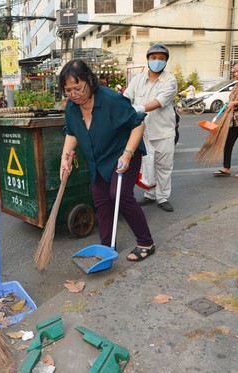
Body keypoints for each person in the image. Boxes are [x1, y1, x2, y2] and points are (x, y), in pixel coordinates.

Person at [59, 59, 156, 262]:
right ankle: (106, 247)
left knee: (120, 195)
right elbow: (72, 132)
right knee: (101, 200)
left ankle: (146, 242)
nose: (73, 94)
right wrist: (65, 157)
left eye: (77, 88)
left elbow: (137, 125)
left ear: (89, 80)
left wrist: (127, 154)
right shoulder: (72, 107)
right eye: (68, 90)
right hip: (98, 159)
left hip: (122, 154)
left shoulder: (111, 99)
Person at [124, 43, 178, 212]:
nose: (157, 61)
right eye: (153, 58)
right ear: (148, 59)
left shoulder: (170, 80)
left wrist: (139, 108)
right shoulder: (137, 79)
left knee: (164, 166)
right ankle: (149, 194)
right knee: (147, 165)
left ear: (166, 62)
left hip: (164, 132)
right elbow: (126, 97)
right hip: (143, 132)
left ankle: (162, 198)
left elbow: (160, 101)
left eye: (161, 59)